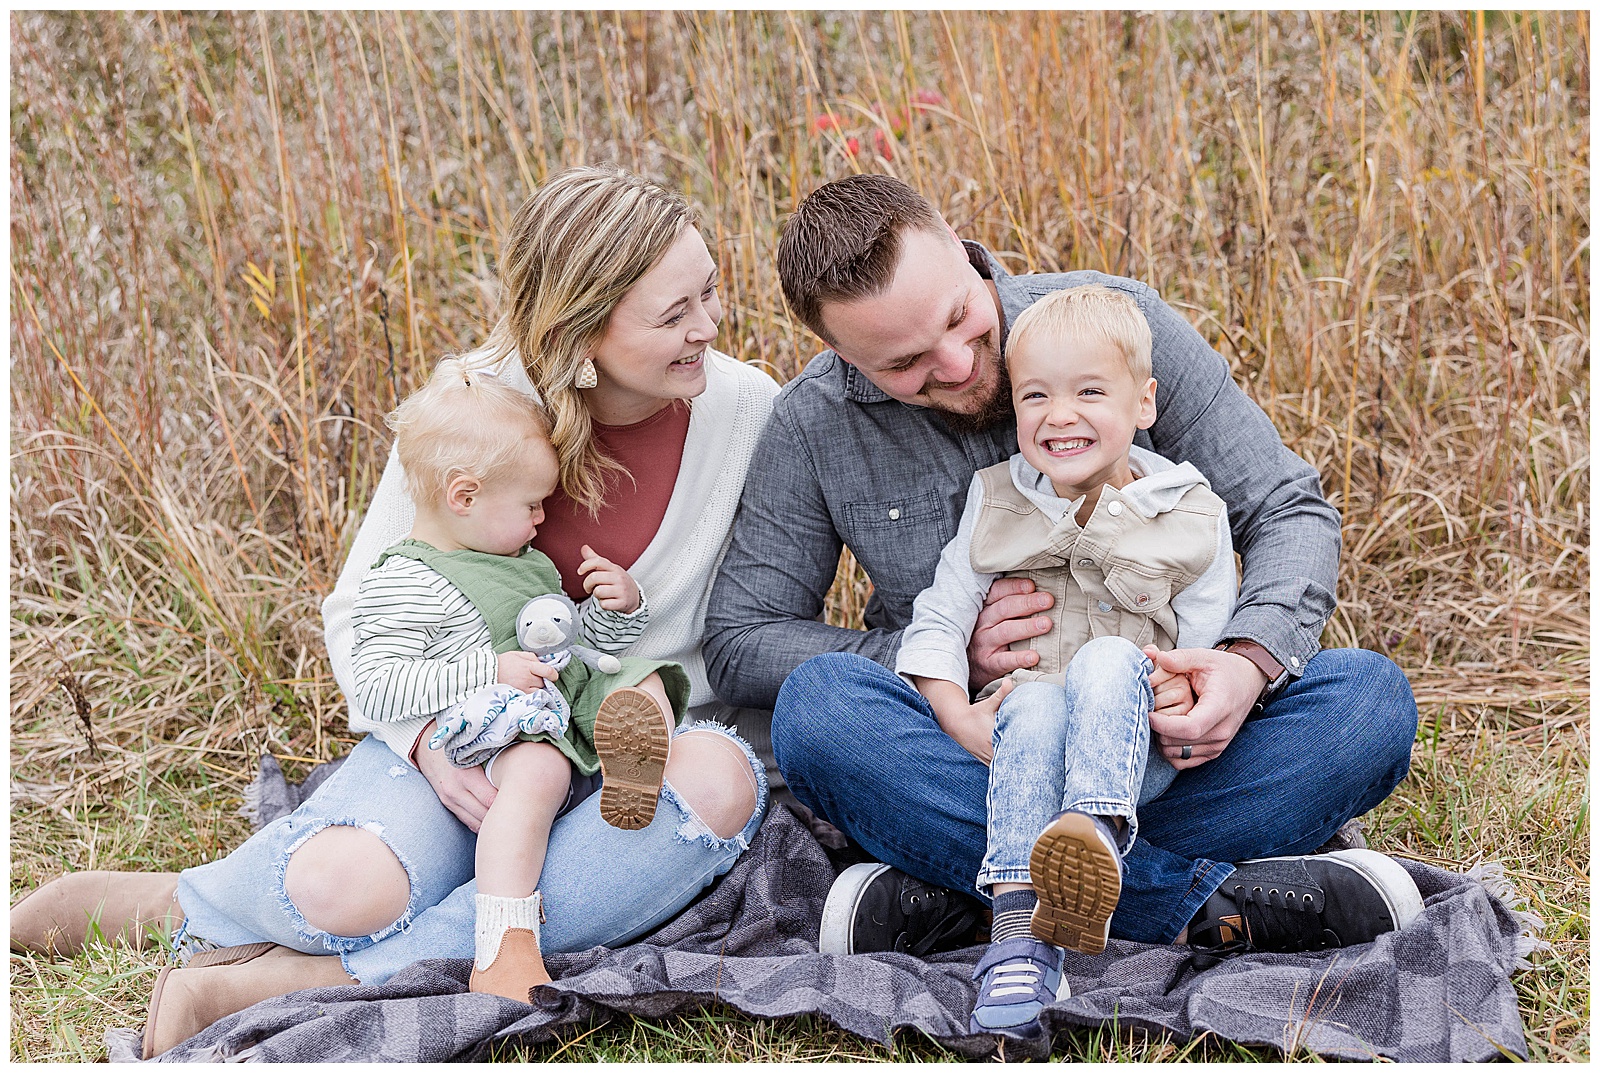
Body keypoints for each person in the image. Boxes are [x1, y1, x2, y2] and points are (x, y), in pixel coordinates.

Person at [11, 165, 781, 1058]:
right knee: (345, 889)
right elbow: (361, 613)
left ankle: (297, 982)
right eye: (675, 312)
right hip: (466, 727)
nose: (710, 328)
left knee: (719, 787)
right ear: (581, 329)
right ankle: (188, 902)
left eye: (711, 293)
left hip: (622, 744)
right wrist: (422, 740)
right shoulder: (470, 405)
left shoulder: (746, 410)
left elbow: (746, 626)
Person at [703, 174, 1421, 979]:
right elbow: (742, 638)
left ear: (961, 245)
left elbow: (1287, 507)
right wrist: (946, 658)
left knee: (1369, 705)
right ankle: (1205, 908)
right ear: (844, 358)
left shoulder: (1116, 327)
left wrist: (1242, 666)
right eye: (906, 363)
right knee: (819, 714)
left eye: (960, 318)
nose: (960, 362)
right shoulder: (812, 422)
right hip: (978, 758)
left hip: (1174, 750)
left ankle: (978, 896)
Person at [898, 285, 1418, 1039]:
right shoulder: (996, 499)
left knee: (1365, 696)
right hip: (1013, 754)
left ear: (1144, 403)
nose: (1059, 414)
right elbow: (939, 615)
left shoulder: (1188, 508)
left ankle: (1074, 845)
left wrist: (1210, 689)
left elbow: (1199, 639)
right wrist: (955, 713)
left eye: (1088, 392)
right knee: (958, 705)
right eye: (1035, 395)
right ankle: (1031, 932)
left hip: (1143, 748)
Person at [352, 356, 708, 1002]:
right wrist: (488, 669)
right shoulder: (407, 579)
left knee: (643, 680)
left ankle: (630, 764)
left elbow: (569, 645)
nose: (544, 519)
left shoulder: (519, 559)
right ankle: (502, 942)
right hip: (489, 725)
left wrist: (616, 608)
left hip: (553, 695)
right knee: (540, 770)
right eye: (531, 505)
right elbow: (377, 685)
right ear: (464, 496)